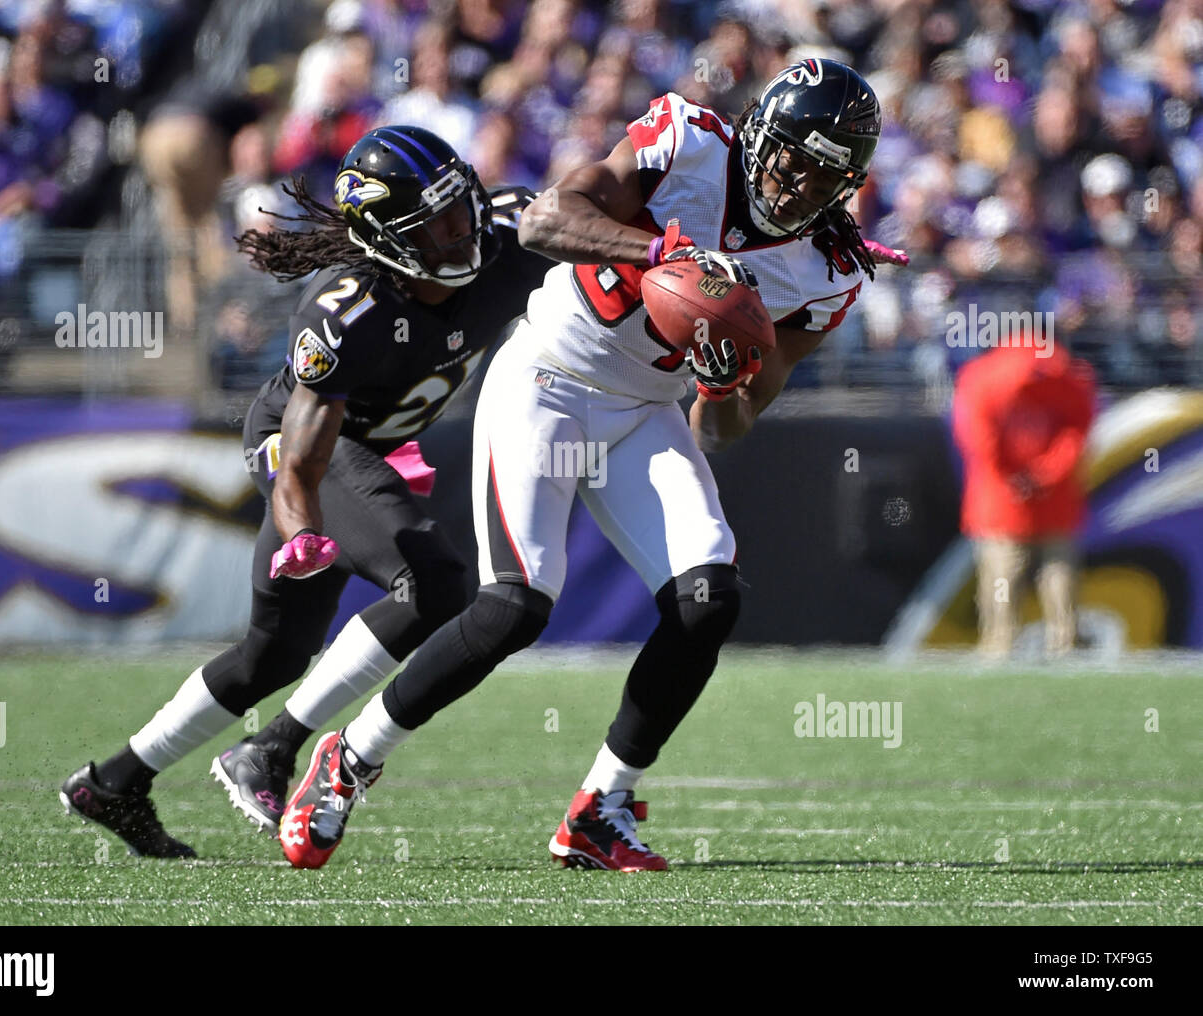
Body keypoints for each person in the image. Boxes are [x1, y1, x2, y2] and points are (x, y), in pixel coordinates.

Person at [276, 59, 904, 870]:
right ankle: (350, 758)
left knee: (708, 596)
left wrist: (721, 381)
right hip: (549, 376)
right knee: (516, 606)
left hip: (645, 412)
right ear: (760, 134)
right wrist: (668, 256)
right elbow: (544, 221)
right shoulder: (687, 143)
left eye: (826, 174)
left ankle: (600, 806)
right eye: (793, 157)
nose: (799, 185)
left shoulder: (830, 268)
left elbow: (727, 427)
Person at [59, 125, 551, 858]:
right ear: (393, 240)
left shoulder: (512, 232)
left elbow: (592, 219)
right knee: (438, 583)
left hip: (368, 449)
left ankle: (114, 783)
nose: (464, 232)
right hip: (304, 454)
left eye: (464, 208)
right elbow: (299, 464)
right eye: (440, 225)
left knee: (275, 655)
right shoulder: (347, 316)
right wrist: (302, 533)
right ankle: (275, 748)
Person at [952, 339, 1097, 658]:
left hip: (1000, 496)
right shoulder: (1068, 374)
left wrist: (1013, 478)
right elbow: (1078, 432)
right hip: (1052, 495)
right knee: (1057, 567)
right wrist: (1046, 474)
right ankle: (1065, 641)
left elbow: (977, 437)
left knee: (1002, 570)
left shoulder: (981, 376)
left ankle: (1000, 643)